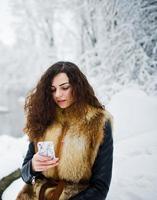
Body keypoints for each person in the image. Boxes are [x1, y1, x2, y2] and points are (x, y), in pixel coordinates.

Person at [16, 61, 113, 200]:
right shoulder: (43, 117)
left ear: (78, 86)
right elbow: (25, 175)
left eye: (64, 87)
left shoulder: (98, 122)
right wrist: (32, 166)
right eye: (53, 89)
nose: (58, 95)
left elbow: (100, 188)